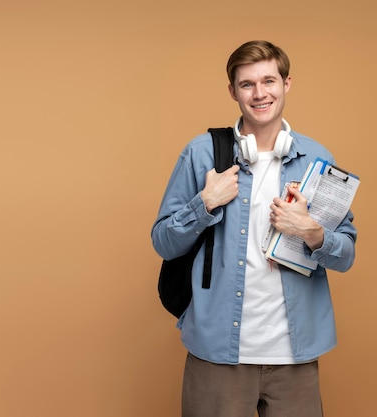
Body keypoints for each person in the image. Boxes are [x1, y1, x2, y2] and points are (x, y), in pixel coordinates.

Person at [152, 40, 357, 417]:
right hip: (217, 351)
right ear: (232, 91)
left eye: (269, 81)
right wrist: (204, 204)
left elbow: (346, 256)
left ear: (286, 84)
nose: (260, 93)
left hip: (294, 356)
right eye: (247, 84)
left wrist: (311, 231)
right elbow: (163, 243)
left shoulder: (318, 158)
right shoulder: (201, 154)